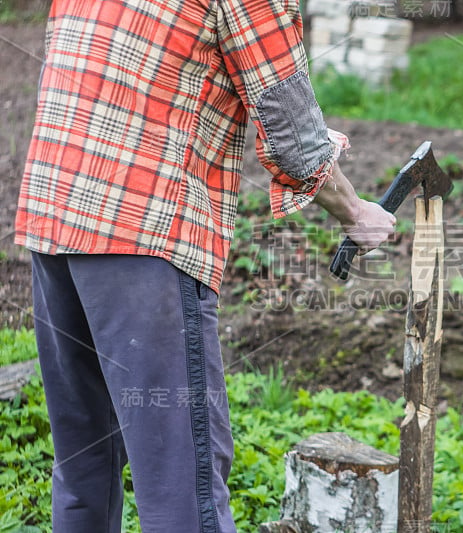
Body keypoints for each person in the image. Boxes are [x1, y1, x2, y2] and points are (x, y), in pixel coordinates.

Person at [14, 0, 396, 532]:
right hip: (145, 233)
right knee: (181, 485)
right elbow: (289, 128)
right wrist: (356, 212)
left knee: (85, 470)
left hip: (53, 216)